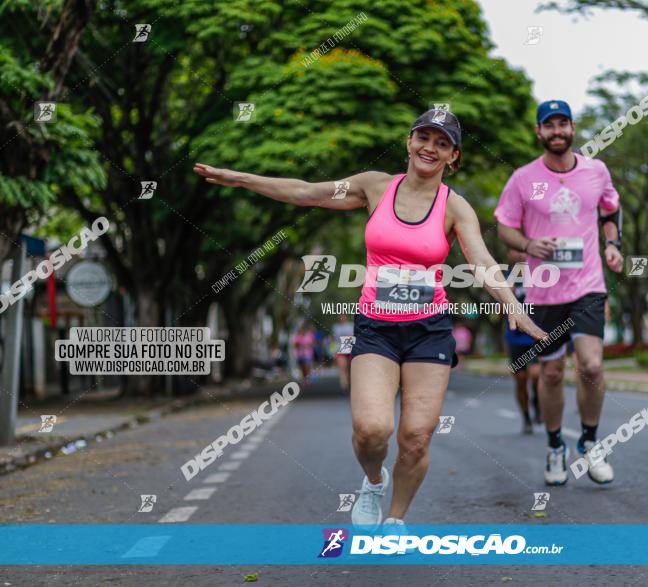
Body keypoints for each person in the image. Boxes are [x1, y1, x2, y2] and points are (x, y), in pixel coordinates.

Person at [194, 108, 546, 532]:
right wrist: (242, 179)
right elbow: (307, 192)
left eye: (442, 143)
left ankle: (395, 518)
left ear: (454, 156)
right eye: (424, 137)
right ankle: (374, 481)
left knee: (415, 439)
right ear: (409, 140)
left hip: (428, 330)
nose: (429, 148)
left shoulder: (456, 207)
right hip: (376, 327)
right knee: (371, 430)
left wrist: (511, 304)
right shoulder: (373, 186)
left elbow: (483, 261)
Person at [494, 99, 624, 486]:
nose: (556, 131)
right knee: (550, 373)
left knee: (592, 366)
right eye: (548, 125)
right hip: (544, 291)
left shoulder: (596, 171)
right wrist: (529, 245)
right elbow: (504, 227)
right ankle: (555, 446)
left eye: (562, 124)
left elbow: (610, 210)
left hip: (587, 286)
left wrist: (614, 245)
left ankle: (589, 440)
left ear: (572, 128)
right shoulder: (522, 178)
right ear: (538, 132)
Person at [505, 248, 541, 434]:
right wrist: (506, 296)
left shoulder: (539, 275)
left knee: (536, 374)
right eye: (515, 251)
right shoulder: (504, 277)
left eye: (522, 251)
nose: (518, 255)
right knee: (520, 379)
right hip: (515, 337)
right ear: (509, 254)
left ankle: (537, 399)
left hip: (536, 336)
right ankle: (526, 416)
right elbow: (497, 309)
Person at [332, 314, 355, 391]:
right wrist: (334, 352)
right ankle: (344, 387)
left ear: (346, 317)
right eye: (340, 316)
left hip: (350, 348)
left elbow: (354, 337)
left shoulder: (351, 326)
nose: (342, 318)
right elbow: (334, 340)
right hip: (340, 349)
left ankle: (350, 384)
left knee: (350, 368)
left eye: (343, 316)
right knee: (342, 368)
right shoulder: (336, 327)